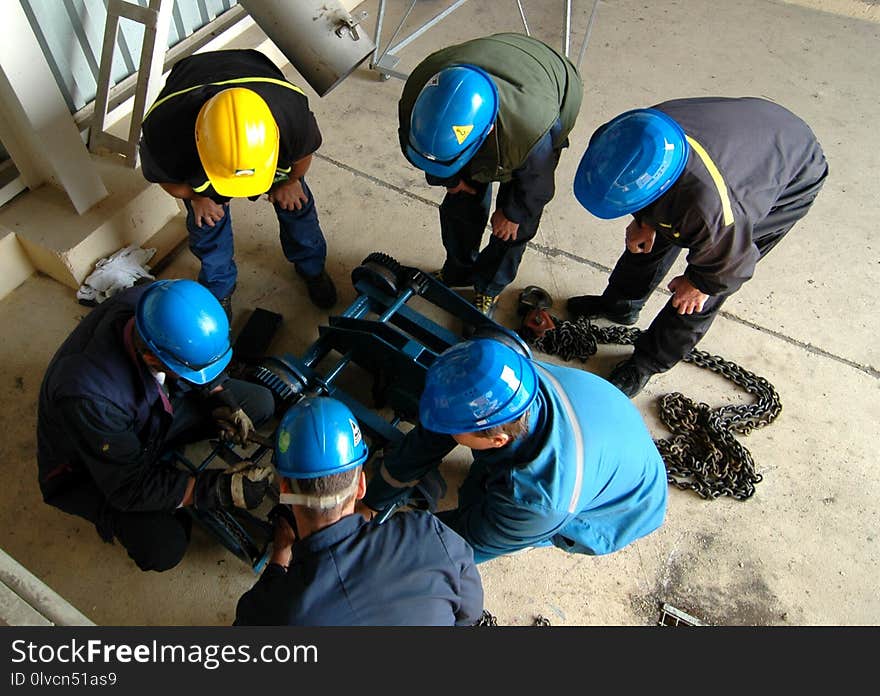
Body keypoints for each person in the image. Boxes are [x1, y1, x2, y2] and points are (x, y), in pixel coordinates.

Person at [567, 97, 829, 396]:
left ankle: (648, 361)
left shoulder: (712, 212)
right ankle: (621, 305)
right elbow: (630, 182)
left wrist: (699, 284)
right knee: (650, 237)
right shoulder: (627, 135)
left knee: (697, 295)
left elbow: (731, 265)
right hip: (743, 138)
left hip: (793, 168)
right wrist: (643, 219)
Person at [37, 279, 276, 572]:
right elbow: (129, 486)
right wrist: (219, 490)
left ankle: (167, 466)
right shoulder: (88, 395)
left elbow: (196, 358)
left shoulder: (157, 302)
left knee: (260, 403)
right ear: (153, 357)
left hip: (148, 413)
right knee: (163, 547)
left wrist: (218, 395)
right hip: (93, 466)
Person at [362, 338, 668, 564]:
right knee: (480, 485)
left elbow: (456, 545)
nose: (443, 432)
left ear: (497, 440)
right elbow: (428, 440)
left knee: (491, 520)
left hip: (622, 507)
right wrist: (374, 502)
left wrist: (372, 546)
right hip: (608, 427)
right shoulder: (509, 377)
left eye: (453, 429)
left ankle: (540, 536)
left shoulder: (540, 501)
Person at [234, 396, 484, 626]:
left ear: (284, 488)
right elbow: (470, 614)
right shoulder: (428, 534)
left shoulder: (270, 611)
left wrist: (280, 556)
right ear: (362, 485)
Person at [138, 48, 337, 317]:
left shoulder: (291, 111)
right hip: (201, 132)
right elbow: (169, 180)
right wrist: (198, 198)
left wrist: (292, 180)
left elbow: (303, 154)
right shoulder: (164, 130)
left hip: (256, 81)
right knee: (207, 222)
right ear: (198, 138)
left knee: (296, 202)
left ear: (276, 134)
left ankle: (312, 268)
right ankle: (219, 290)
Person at [397, 33, 583, 319]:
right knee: (460, 200)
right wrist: (451, 180)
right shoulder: (418, 95)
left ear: (489, 130)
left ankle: (488, 286)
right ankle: (458, 269)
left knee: (512, 228)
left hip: (547, 83)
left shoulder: (531, 133)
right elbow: (423, 148)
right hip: (487, 65)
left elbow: (538, 183)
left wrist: (513, 213)